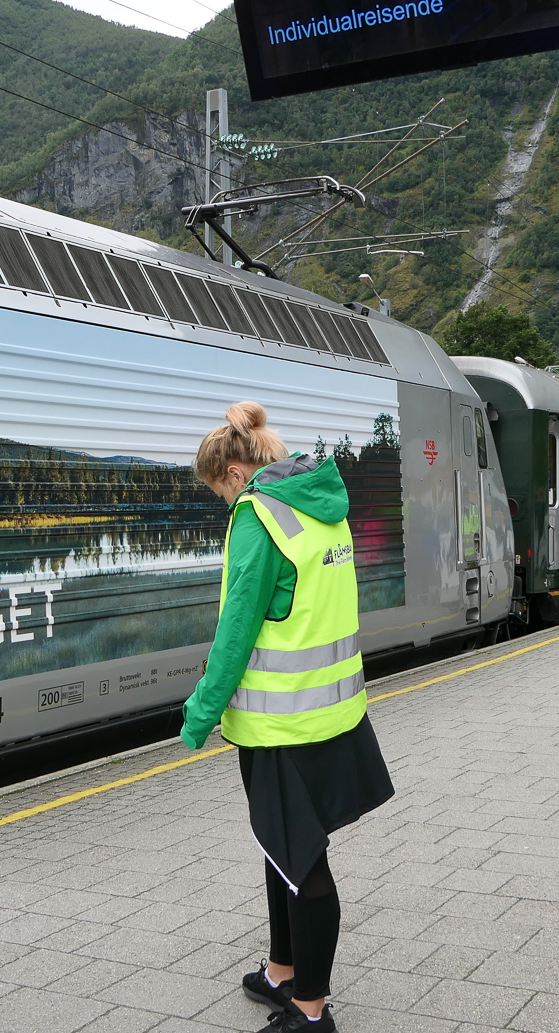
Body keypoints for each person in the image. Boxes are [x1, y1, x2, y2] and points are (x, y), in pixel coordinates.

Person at [179, 403, 394, 1033]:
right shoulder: (322, 505)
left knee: (303, 862)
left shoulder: (259, 515)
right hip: (333, 713)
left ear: (235, 472)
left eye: (221, 491)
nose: (226, 502)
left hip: (281, 724)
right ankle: (281, 971)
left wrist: (199, 714)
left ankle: (311, 1009)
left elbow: (236, 631)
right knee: (283, 852)